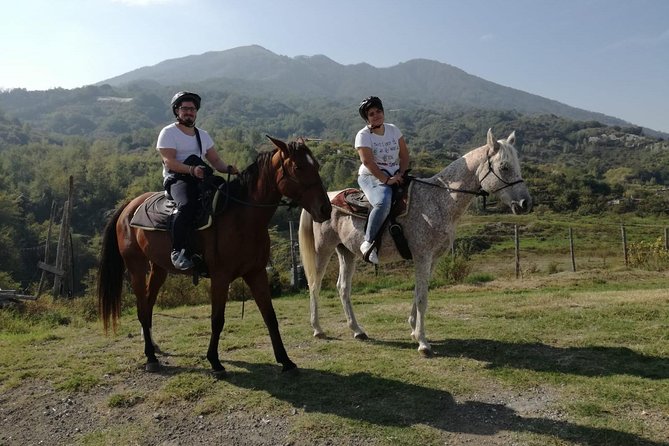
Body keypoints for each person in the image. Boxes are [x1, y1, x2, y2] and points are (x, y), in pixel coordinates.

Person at [156, 91, 238, 270]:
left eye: (192, 109)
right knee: (186, 205)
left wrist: (229, 169)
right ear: (177, 111)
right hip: (177, 179)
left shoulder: (203, 135)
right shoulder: (168, 133)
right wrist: (191, 170)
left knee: (228, 195)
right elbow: (169, 161)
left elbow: (215, 161)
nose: (189, 112)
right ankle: (178, 251)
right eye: (184, 108)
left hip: (200, 177)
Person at [354, 96, 410, 264]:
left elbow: (404, 155)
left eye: (378, 111)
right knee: (383, 202)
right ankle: (368, 242)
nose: (376, 115)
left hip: (395, 174)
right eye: (371, 114)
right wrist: (386, 180)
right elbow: (368, 162)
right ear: (367, 118)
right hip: (371, 176)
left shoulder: (393, 130)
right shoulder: (363, 135)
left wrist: (401, 173)